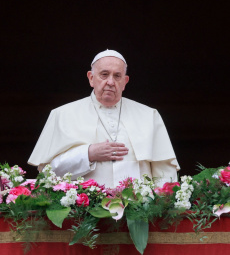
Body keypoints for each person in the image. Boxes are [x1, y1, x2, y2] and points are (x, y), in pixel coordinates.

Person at [28, 49, 180, 187]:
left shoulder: (149, 115)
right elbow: (48, 173)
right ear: (91, 78)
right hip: (83, 213)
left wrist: (162, 207)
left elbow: (164, 173)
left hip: (139, 212)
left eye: (117, 76)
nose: (111, 82)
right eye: (104, 74)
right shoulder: (62, 114)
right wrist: (88, 154)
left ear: (125, 82)